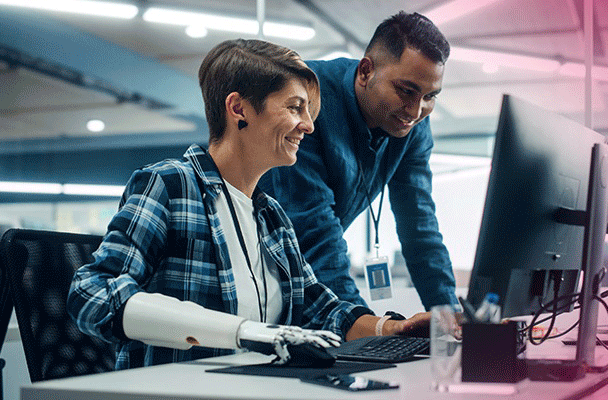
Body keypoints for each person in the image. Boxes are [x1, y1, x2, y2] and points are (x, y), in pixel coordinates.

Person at [68, 39, 427, 369]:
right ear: (239, 108)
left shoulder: (271, 217)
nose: (308, 126)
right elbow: (92, 293)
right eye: (294, 107)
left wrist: (392, 329)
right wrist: (242, 331)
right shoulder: (170, 186)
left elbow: (320, 309)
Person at [258, 11, 456, 309]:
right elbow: (313, 230)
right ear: (365, 71)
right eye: (406, 91)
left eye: (430, 97)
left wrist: (448, 314)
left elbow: (419, 222)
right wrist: (364, 324)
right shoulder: (305, 100)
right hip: (251, 269)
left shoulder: (412, 127)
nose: (415, 112)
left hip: (305, 272)